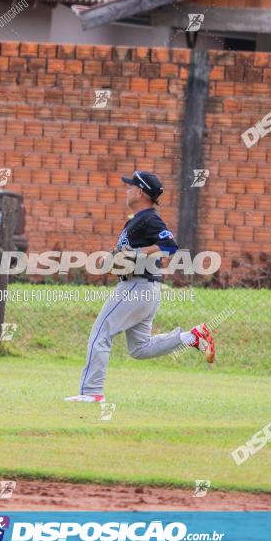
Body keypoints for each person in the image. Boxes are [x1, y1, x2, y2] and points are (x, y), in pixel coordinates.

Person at [64, 171, 216, 403]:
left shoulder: (149, 218)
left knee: (100, 333)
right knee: (140, 348)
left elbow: (170, 246)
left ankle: (92, 392)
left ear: (140, 191)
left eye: (130, 186)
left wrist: (134, 253)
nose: (126, 190)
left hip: (137, 287)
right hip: (144, 289)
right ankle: (191, 337)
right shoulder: (137, 220)